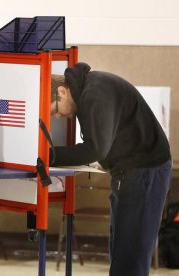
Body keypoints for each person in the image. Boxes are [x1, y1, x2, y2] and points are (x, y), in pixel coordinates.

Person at [50, 62, 172, 276]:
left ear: (62, 91)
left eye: (55, 110)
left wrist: (48, 156)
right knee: (122, 251)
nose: (58, 116)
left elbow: (95, 149)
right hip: (129, 171)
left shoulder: (95, 93)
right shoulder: (88, 89)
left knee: (130, 257)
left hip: (145, 170)